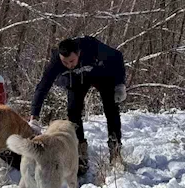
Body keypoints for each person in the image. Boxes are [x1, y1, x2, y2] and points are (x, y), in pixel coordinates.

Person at [30, 36, 127, 174]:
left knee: (111, 108)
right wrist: (34, 116)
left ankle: (115, 149)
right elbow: (42, 86)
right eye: (65, 62)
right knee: (73, 112)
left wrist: (120, 84)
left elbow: (117, 57)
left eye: (71, 61)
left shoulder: (92, 46)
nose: (69, 64)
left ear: (79, 53)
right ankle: (80, 152)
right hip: (75, 80)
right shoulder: (56, 61)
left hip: (101, 75)